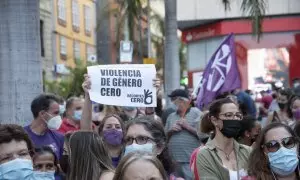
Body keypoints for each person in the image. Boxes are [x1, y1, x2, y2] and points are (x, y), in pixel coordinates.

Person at [196, 98, 251, 179]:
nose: (235, 119)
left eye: (237, 115)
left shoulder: (248, 151)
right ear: (214, 120)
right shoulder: (205, 154)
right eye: (229, 115)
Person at [165, 89, 202, 180]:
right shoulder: (171, 116)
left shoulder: (196, 113)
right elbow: (164, 137)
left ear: (182, 100)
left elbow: (204, 134)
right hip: (174, 161)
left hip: (190, 160)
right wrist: (171, 131)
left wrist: (188, 127)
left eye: (174, 99)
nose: (172, 102)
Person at [24, 93, 64, 160]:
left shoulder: (59, 137)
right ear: (42, 114)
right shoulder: (21, 136)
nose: (59, 117)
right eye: (56, 113)